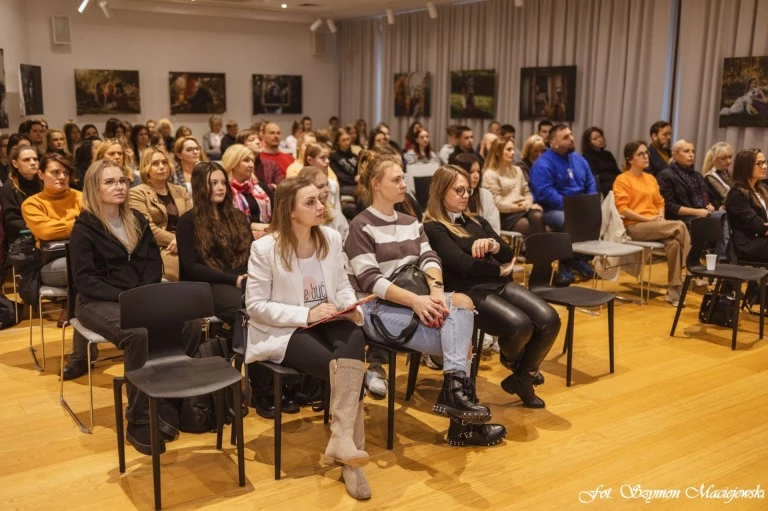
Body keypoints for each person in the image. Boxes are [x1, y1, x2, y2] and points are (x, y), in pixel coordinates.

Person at [346, 150, 506, 446]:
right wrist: (417, 302)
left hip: (417, 295)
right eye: (396, 180)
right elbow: (371, 281)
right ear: (377, 185)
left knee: (462, 304)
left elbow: (429, 257)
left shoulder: (410, 221)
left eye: (403, 178)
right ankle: (460, 419)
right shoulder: (360, 226)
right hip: (377, 309)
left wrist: (434, 293)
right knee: (461, 337)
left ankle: (456, 401)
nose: (404, 184)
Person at [245, 177, 370, 499]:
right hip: (287, 328)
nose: (320, 207)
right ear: (290, 211)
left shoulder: (329, 237)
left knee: (354, 339)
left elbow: (342, 286)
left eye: (320, 200)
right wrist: (305, 316)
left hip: (328, 318)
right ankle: (352, 462)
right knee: (342, 368)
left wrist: (348, 307)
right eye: (310, 202)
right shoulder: (264, 248)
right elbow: (255, 307)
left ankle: (342, 442)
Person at [65, 158, 194, 455]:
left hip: (141, 294)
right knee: (138, 333)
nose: (119, 186)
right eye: (109, 182)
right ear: (94, 189)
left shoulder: (136, 218)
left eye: (122, 180)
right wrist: (129, 297)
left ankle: (167, 399)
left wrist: (144, 294)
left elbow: (152, 263)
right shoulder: (84, 227)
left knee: (187, 322)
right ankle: (138, 417)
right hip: (98, 301)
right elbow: (86, 280)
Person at [424, 165, 560, 407]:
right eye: (459, 190)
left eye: (468, 190)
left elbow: (507, 252)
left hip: (498, 284)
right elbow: (462, 265)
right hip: (468, 292)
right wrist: (497, 268)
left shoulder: (476, 221)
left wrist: (494, 246)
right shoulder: (434, 227)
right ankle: (521, 370)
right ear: (441, 191)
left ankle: (522, 376)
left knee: (550, 319)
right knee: (521, 326)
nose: (466, 195)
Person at [613, 141, 691, 306]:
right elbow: (623, 210)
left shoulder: (650, 178)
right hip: (634, 226)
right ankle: (690, 267)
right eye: (640, 154)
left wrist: (660, 217)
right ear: (630, 159)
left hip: (654, 224)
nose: (646, 156)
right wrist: (648, 219)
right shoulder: (622, 179)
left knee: (674, 244)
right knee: (679, 225)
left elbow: (660, 202)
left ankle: (674, 293)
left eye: (646, 153)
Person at [177, 161, 253, 331]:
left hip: (243, 279)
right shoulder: (188, 221)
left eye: (223, 182)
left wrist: (246, 276)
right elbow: (191, 267)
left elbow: (251, 251)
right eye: (213, 183)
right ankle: (246, 355)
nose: (221, 188)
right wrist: (234, 280)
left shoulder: (237, 216)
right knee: (246, 312)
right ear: (200, 186)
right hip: (209, 284)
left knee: (271, 306)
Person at [529, 124, 597, 281]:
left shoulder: (580, 160)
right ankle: (565, 265)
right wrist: (573, 208)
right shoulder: (543, 163)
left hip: (579, 208)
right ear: (554, 143)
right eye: (566, 137)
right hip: (553, 209)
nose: (572, 139)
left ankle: (579, 260)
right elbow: (545, 193)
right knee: (567, 220)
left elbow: (590, 183)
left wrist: (589, 205)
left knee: (594, 217)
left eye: (571, 135)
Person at [129, 146, 191, 281]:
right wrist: (179, 241)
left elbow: (194, 221)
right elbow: (148, 229)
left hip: (186, 244)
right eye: (155, 164)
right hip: (161, 248)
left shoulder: (180, 190)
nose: (162, 167)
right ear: (146, 168)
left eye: (164, 162)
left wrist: (184, 241)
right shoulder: (136, 193)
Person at [482, 137, 544, 236]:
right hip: (504, 214)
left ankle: (541, 251)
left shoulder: (517, 170)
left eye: (513, 149)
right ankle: (536, 250)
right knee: (526, 225)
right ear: (498, 152)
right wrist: (522, 207)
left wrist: (528, 202)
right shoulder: (490, 174)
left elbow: (527, 192)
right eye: (509, 149)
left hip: (523, 208)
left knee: (538, 215)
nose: (513, 152)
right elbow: (497, 204)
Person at [725, 149, 768, 263]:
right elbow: (757, 225)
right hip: (748, 245)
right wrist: (764, 228)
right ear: (746, 166)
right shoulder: (737, 194)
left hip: (762, 240)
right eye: (759, 163)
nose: (764, 166)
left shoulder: (762, 190)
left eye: (764, 162)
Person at [221, 144, 272, 237]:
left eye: (252, 160)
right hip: (237, 238)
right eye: (246, 160)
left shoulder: (261, 187)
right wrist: (255, 226)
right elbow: (227, 222)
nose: (251, 165)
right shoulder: (223, 191)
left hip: (266, 236)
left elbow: (276, 213)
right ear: (233, 163)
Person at [2, 145, 43, 246]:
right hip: (24, 238)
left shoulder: (44, 181)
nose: (33, 163)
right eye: (26, 160)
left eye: (35, 159)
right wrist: (39, 228)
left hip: (46, 230)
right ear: (15, 163)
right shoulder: (9, 187)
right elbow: (12, 221)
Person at [298, 166, 349, 241]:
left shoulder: (335, 215)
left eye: (327, 185)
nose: (327, 190)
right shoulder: (297, 219)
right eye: (320, 186)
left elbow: (347, 246)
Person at [453, 152, 500, 234]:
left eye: (478, 171)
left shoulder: (485, 195)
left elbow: (494, 228)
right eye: (471, 172)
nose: (476, 176)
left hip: (485, 243)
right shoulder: (452, 195)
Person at [581, 126, 620, 197]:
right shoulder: (587, 156)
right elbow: (594, 176)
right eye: (595, 139)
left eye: (600, 136)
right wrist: (611, 177)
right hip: (600, 185)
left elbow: (616, 171)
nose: (600, 139)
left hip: (613, 180)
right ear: (589, 143)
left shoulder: (608, 154)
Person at [404, 128, 440, 195]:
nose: (425, 139)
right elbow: (412, 171)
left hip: (430, 184)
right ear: (416, 140)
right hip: (416, 185)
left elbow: (436, 171)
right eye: (422, 137)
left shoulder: (433, 154)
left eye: (427, 137)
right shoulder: (410, 154)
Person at [701, 142, 734, 210]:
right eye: (723, 158)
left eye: (730, 157)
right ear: (714, 159)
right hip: (721, 211)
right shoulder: (710, 176)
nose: (728, 161)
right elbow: (727, 197)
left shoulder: (730, 172)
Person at [329, 128, 359, 197]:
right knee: (363, 192)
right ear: (338, 142)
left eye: (348, 139)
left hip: (356, 184)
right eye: (343, 140)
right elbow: (338, 174)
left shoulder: (354, 156)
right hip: (343, 185)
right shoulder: (333, 156)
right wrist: (354, 179)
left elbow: (358, 171)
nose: (347, 142)